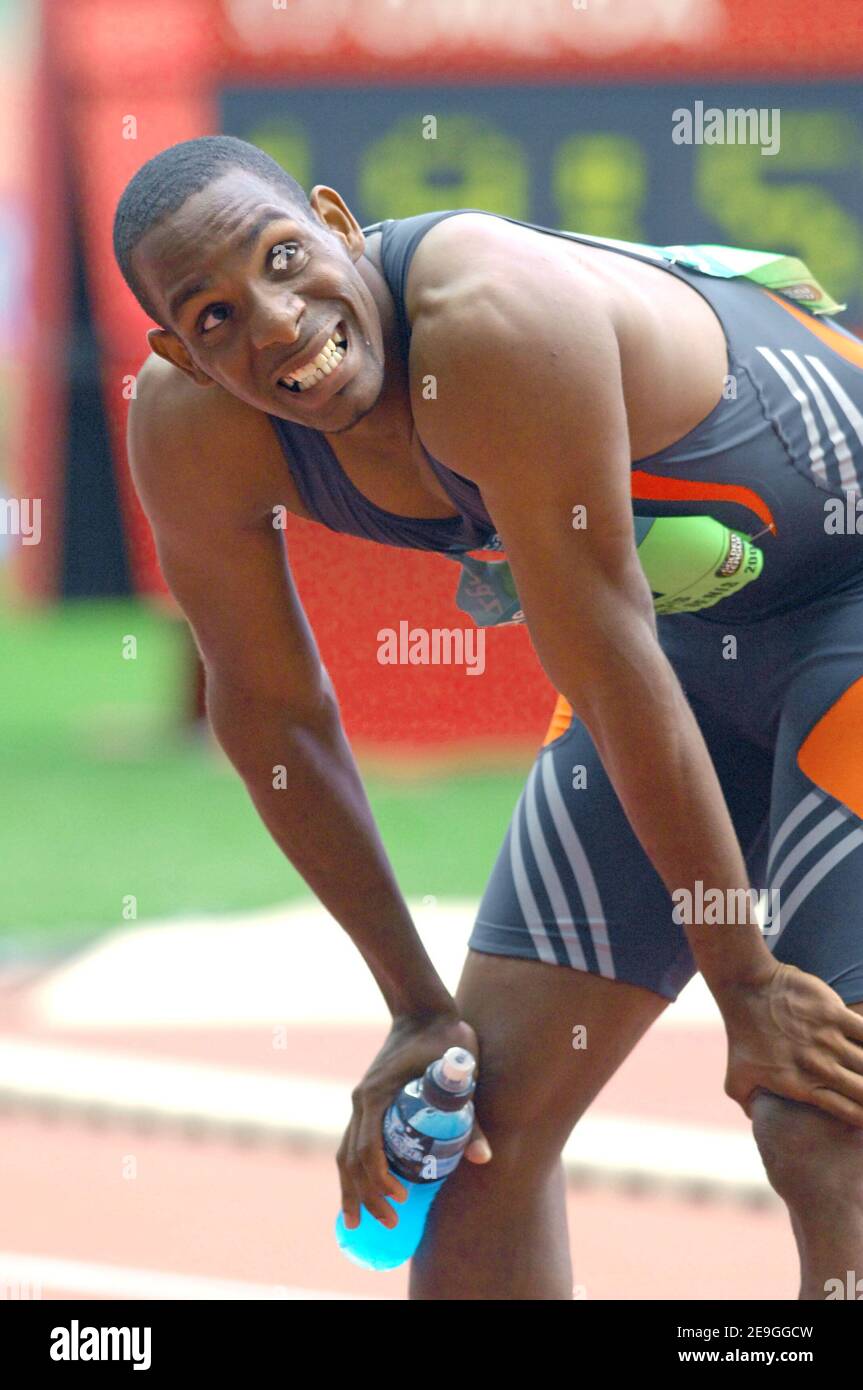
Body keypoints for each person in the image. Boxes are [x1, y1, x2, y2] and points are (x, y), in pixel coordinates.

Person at [113, 135, 863, 1300]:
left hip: (837, 607)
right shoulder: (190, 430)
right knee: (471, 1135)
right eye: (212, 320)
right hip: (679, 654)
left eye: (280, 258)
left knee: (818, 1122)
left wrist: (747, 987)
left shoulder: (488, 322)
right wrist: (416, 1012)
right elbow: (271, 718)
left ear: (336, 219)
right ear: (177, 354)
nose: (273, 327)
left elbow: (606, 658)